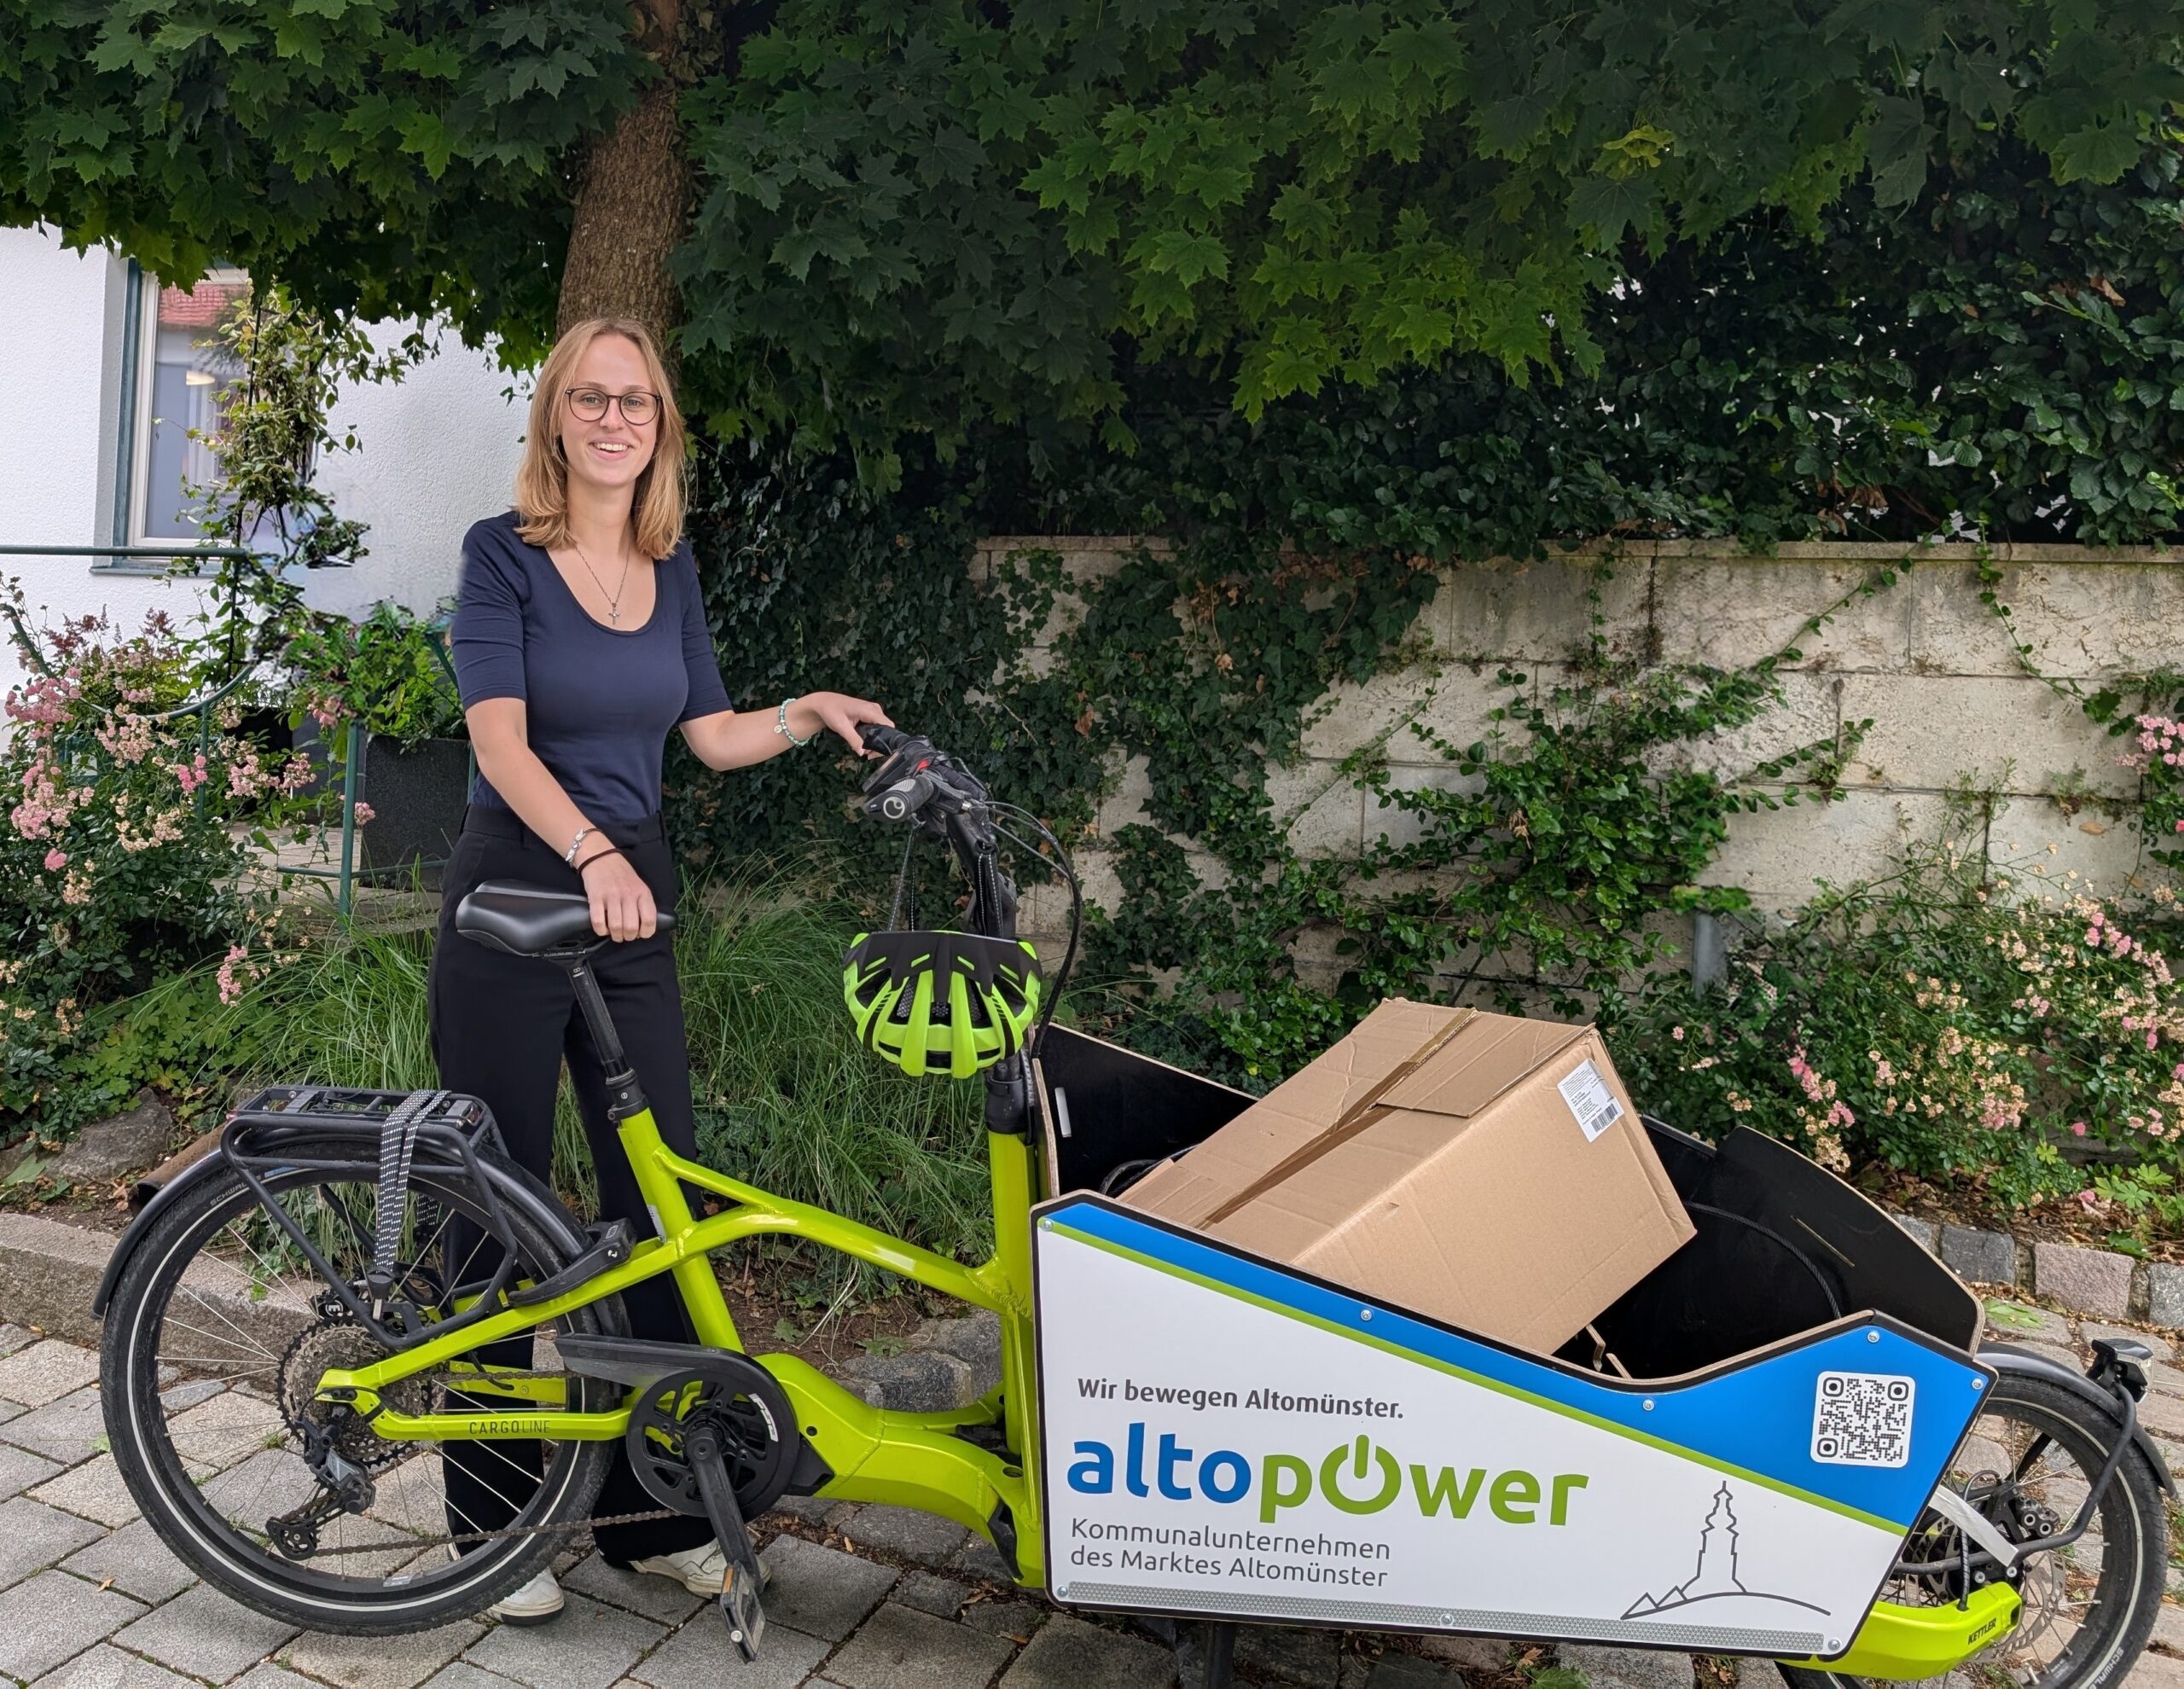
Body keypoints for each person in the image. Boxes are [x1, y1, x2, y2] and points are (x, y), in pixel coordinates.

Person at [429, 315, 888, 1622]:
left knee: (661, 1196)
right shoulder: (501, 557)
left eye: (635, 401)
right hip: (519, 883)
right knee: (495, 1201)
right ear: (555, 417)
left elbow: (711, 732)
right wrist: (588, 852)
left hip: (630, 892)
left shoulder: (666, 563)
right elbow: (500, 743)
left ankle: (653, 1516)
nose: (613, 419)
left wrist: (805, 713)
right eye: (590, 398)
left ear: (661, 426)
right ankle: (490, 1531)